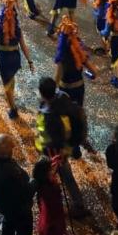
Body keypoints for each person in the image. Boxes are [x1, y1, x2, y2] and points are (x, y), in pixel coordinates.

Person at [34, 76, 89, 217]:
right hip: (66, 146)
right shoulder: (63, 97)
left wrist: (43, 147)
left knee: (61, 175)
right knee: (64, 175)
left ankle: (77, 205)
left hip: (56, 151)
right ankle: (78, 203)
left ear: (42, 93)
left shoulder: (49, 115)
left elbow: (50, 137)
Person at [0, 0, 34, 119]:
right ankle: (11, 98)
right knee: (11, 79)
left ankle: (13, 109)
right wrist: (30, 61)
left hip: (4, 58)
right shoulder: (18, 30)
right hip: (15, 58)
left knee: (6, 84)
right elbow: (24, 46)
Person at [32, 155, 67, 235]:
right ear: (46, 173)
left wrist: (54, 161)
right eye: (50, 170)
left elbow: (50, 169)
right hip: (52, 218)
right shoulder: (48, 189)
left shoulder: (43, 181)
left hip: (53, 215)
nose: (53, 171)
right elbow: (53, 204)